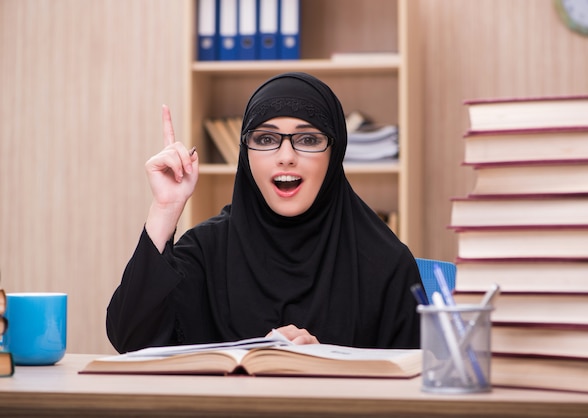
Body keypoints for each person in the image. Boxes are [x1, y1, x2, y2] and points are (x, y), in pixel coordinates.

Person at [106, 72, 423, 353]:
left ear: (334, 152)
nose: (286, 156)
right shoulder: (208, 250)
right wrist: (165, 210)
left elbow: (411, 388)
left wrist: (330, 366)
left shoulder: (387, 264)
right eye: (266, 139)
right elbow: (130, 339)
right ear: (245, 154)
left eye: (309, 139)